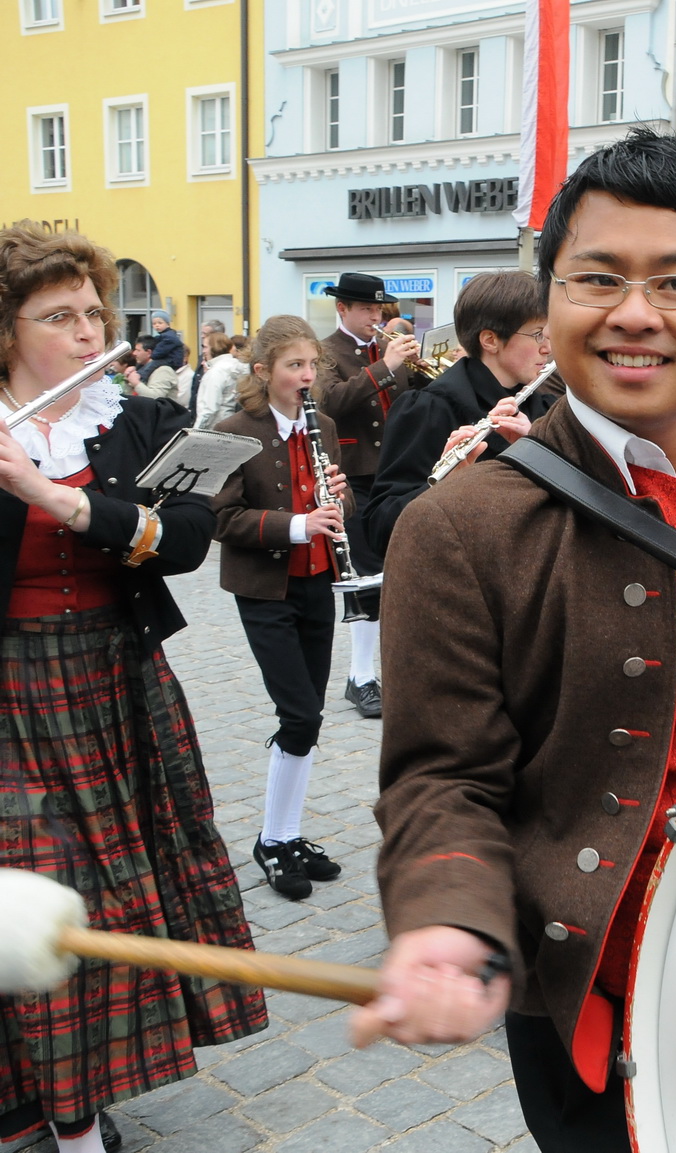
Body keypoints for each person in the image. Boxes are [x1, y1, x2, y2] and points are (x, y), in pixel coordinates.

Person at [349, 130, 676, 1151]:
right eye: (598, 277)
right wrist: (451, 916)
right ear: (551, 301)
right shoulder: (460, 525)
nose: (634, 312)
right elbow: (440, 777)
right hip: (621, 995)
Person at [0, 222, 267, 1152]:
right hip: (13, 693)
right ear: (7, 330)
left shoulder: (133, 417)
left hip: (119, 677)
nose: (88, 333)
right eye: (60, 316)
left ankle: (83, 1117)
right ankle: (39, 1101)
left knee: (116, 890)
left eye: (94, 312)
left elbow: (188, 535)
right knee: (35, 891)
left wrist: (59, 497)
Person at [212, 316, 354, 900]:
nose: (307, 376)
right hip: (266, 590)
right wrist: (298, 523)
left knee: (310, 716)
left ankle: (287, 834)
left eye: (312, 366)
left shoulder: (322, 425)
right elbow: (223, 520)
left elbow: (332, 499)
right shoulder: (234, 430)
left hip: (318, 581)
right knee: (298, 714)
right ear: (263, 371)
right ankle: (273, 840)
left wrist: (336, 497)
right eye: (295, 366)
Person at [364, 270, 559, 555]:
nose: (548, 348)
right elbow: (380, 529)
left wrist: (541, 451)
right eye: (537, 334)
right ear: (490, 340)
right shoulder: (430, 407)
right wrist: (446, 485)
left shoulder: (543, 407)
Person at [315, 272, 429, 718]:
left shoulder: (387, 347)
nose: (374, 318)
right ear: (342, 309)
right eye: (365, 310)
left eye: (379, 311)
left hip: (396, 474)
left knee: (397, 571)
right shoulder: (325, 352)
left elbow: (413, 404)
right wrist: (386, 367)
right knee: (364, 575)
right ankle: (360, 676)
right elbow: (332, 403)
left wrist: (431, 369)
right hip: (354, 476)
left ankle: (393, 670)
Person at [194, 331, 247, 429]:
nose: (203, 351)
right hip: (232, 424)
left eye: (205, 347)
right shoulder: (237, 367)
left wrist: (196, 432)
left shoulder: (216, 372)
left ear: (215, 347)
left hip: (216, 429)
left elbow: (209, 410)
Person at [125, 337, 179, 401]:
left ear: (149, 352)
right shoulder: (140, 369)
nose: (134, 353)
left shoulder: (163, 370)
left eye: (138, 350)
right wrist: (127, 378)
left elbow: (156, 398)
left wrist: (136, 383)